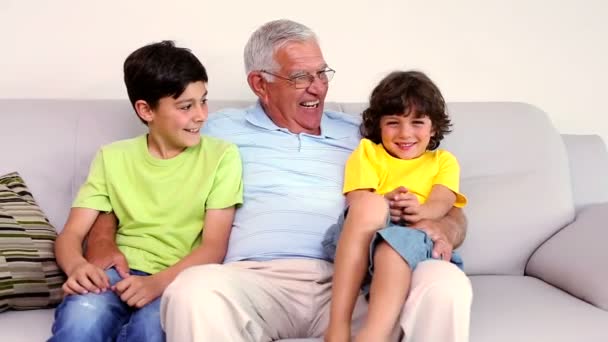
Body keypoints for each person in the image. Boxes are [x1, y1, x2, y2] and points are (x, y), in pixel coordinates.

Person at [85, 20, 472, 342]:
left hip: (356, 281)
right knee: (193, 290)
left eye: (322, 73)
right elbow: (145, 173)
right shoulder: (216, 131)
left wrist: (440, 225)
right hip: (255, 282)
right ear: (260, 84)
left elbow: (449, 205)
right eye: (301, 77)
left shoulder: (367, 135)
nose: (317, 87)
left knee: (445, 282)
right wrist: (101, 239)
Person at [49, 41, 243, 342]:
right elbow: (71, 235)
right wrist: (77, 267)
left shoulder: (221, 156)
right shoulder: (112, 157)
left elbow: (213, 247)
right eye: (186, 106)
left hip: (179, 280)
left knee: (149, 332)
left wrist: (157, 283)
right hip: (117, 273)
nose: (202, 115)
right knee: (81, 318)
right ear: (146, 110)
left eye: (203, 101)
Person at [323, 70, 468, 342]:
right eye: (393, 123)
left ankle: (373, 335)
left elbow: (443, 201)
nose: (405, 133)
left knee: (395, 245)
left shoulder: (443, 161)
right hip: (359, 238)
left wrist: (420, 211)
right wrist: (385, 201)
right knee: (370, 205)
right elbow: (357, 199)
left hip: (411, 237)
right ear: (378, 125)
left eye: (417, 123)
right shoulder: (368, 153)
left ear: (433, 127)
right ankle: (337, 326)